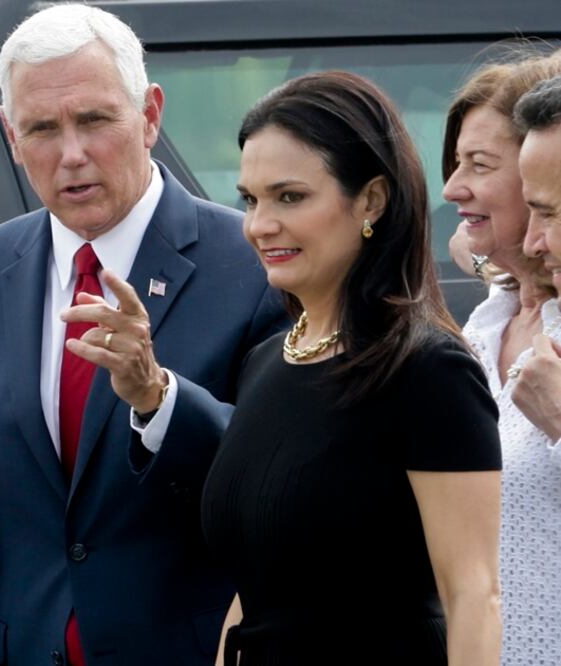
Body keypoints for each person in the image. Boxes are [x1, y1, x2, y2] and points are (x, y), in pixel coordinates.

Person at [0, 5, 284, 665]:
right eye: (42, 129)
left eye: (93, 120)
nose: (72, 154)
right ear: (9, 135)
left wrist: (159, 400)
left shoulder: (254, 265)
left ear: (149, 114)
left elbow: (280, 493)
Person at [203, 71, 502, 664]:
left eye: (290, 197)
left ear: (371, 199)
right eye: (250, 199)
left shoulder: (428, 371)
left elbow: (472, 595)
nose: (260, 224)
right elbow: (255, 591)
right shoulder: (269, 357)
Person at [441, 52, 561, 664]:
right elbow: (467, 244)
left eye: (478, 165)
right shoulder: (490, 319)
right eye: (455, 161)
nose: (451, 187)